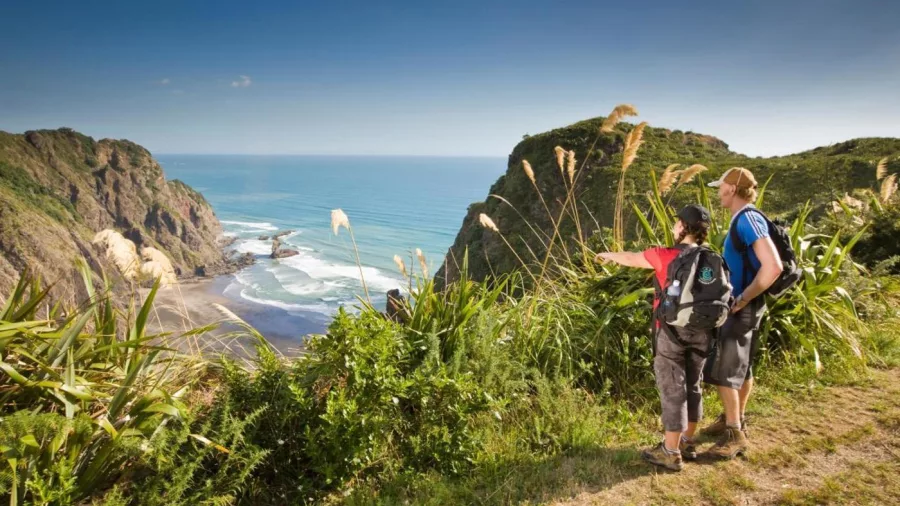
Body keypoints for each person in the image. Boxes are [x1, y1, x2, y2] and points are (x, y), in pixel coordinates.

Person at [595, 205, 715, 471]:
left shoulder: (665, 255)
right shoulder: (710, 258)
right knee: (693, 385)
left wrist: (609, 255)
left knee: (673, 388)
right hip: (703, 331)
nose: (673, 227)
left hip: (671, 331)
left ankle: (670, 452)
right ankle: (686, 441)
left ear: (684, 227)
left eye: (677, 223)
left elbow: (632, 258)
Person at [701, 167, 783, 459]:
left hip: (742, 306)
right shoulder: (746, 218)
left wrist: (744, 298)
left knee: (725, 369)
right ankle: (734, 418)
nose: (718, 192)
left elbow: (773, 266)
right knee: (741, 367)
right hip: (747, 305)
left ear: (732, 190)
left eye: (720, 187)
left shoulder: (747, 219)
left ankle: (734, 433)